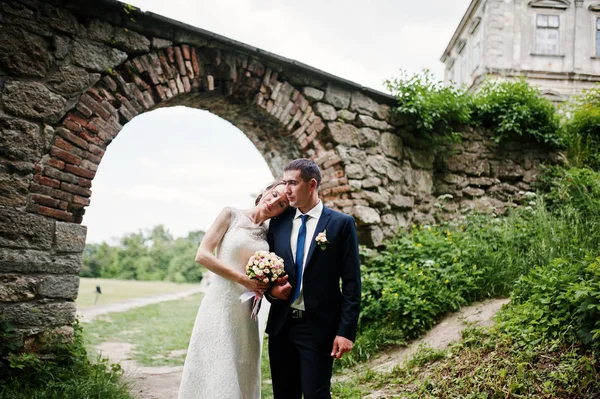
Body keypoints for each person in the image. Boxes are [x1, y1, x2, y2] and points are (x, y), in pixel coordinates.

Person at [178, 181, 289, 399]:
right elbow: (202, 254)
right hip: (220, 303)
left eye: (282, 203)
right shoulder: (231, 215)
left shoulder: (270, 234)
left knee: (241, 367)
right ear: (264, 192)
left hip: (247, 312)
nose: (274, 201)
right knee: (215, 364)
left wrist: (271, 284)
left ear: (282, 212)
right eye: (274, 194)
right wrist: (242, 279)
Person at [266, 158, 361, 399]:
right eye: (284, 182)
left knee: (316, 394)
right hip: (282, 326)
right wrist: (271, 292)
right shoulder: (278, 223)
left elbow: (351, 283)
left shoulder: (341, 224)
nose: (286, 190)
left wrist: (346, 331)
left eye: (293, 183)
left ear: (311, 185)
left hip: (318, 328)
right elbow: (270, 273)